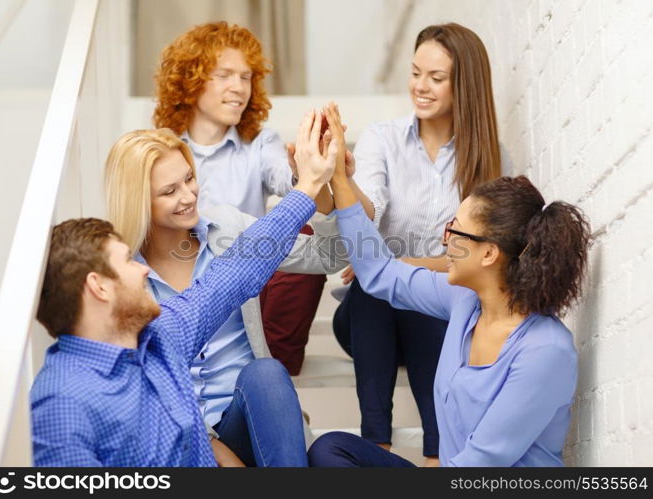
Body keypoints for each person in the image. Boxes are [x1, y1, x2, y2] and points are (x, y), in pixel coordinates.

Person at [30, 110, 337, 467]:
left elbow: (236, 273)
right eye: (127, 264)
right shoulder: (61, 401)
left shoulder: (161, 339)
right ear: (98, 286)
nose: (142, 273)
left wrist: (310, 186)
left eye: (188, 180)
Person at [310, 109, 590, 466]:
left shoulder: (545, 350)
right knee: (332, 449)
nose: (445, 243)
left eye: (454, 232)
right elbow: (378, 272)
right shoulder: (463, 301)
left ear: (489, 253)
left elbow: (480, 463)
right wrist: (339, 179)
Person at [331, 23, 507, 464]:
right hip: (368, 319)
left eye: (436, 77)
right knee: (378, 289)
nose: (420, 87)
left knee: (431, 294)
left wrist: (401, 263)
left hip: (438, 319)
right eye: (414, 73)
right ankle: (377, 444)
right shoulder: (383, 138)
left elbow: (472, 258)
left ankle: (437, 455)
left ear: (462, 85)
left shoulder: (486, 156)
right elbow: (367, 214)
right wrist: (343, 177)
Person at [153, 21, 329, 375]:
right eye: (224, 75)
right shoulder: (160, 145)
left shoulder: (260, 142)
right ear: (191, 80)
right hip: (183, 286)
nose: (239, 88)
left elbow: (291, 184)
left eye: (246, 77)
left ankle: (270, 378)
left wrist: (307, 171)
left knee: (303, 236)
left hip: (248, 289)